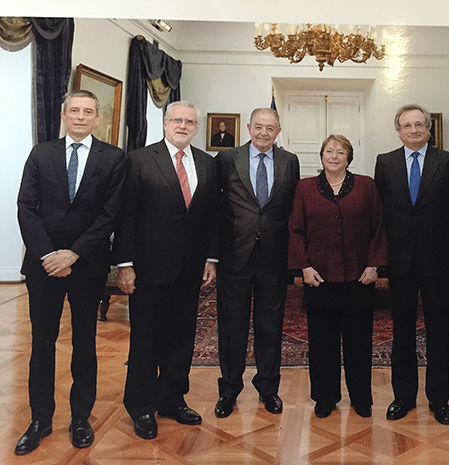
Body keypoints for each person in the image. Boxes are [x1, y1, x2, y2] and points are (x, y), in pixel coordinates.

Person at [15, 90, 126, 455]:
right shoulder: (40, 153)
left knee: (84, 343)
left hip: (87, 264)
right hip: (43, 265)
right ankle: (39, 418)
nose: (81, 117)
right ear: (63, 115)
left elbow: (110, 214)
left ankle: (80, 418)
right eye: (74, 111)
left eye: (88, 112)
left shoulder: (113, 159)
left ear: (97, 118)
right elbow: (26, 207)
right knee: (41, 343)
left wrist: (73, 254)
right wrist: (49, 254)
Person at [113, 101, 219, 440]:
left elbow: (210, 216)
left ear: (196, 126)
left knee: (180, 338)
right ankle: (141, 406)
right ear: (164, 123)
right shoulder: (140, 159)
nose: (184, 126)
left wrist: (211, 258)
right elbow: (125, 215)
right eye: (177, 120)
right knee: (146, 340)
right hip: (148, 268)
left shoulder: (207, 163)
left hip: (189, 268)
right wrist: (125, 265)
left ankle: (173, 398)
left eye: (190, 121)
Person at [374, 104, 449, 425]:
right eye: (406, 125)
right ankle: (404, 396)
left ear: (428, 129)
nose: (413, 130)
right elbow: (381, 209)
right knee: (402, 329)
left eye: (418, 125)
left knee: (439, 328)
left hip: (436, 258)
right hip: (400, 260)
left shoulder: (448, 161)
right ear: (398, 130)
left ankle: (440, 399)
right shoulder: (385, 163)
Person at [288, 135, 388, 418]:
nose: (334, 156)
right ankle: (324, 398)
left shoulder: (366, 186)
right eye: (329, 151)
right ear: (321, 156)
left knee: (359, 341)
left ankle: (362, 399)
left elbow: (378, 227)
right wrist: (304, 267)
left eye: (340, 152)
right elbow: (295, 229)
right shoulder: (305, 188)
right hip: (319, 277)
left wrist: (374, 266)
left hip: (359, 277)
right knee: (322, 343)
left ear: (349, 157)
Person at [215, 108, 299, 418]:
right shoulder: (227, 159)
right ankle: (229, 391)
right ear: (249, 127)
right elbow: (215, 206)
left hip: (274, 258)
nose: (264, 132)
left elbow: (291, 209)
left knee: (270, 325)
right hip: (234, 256)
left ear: (279, 131)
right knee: (232, 326)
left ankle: (268, 389)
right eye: (259, 127)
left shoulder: (289, 161)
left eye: (270, 128)